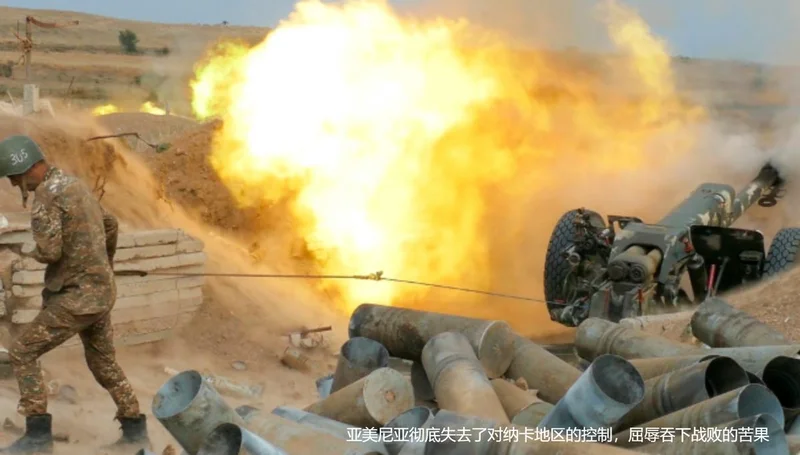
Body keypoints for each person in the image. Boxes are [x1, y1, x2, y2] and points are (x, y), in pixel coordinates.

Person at [0, 135, 150, 454]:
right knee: (103, 363)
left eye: (13, 178)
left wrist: (27, 250)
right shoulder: (75, 185)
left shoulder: (46, 196)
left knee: (22, 351)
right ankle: (136, 431)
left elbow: (50, 251)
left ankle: (38, 436)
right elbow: (110, 224)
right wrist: (104, 265)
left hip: (77, 297)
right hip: (101, 292)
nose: (13, 185)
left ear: (25, 169)